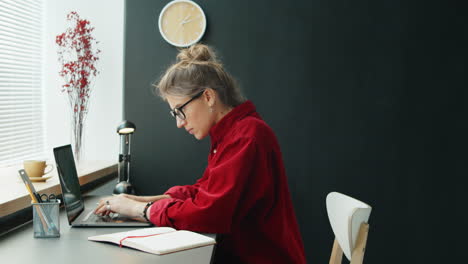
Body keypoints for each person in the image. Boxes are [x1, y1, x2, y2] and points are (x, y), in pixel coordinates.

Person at [94, 44, 306, 263]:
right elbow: (204, 192)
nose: (179, 123)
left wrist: (142, 210)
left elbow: (208, 212)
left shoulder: (247, 136)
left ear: (208, 97)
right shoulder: (233, 133)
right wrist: (142, 201)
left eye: (180, 110)